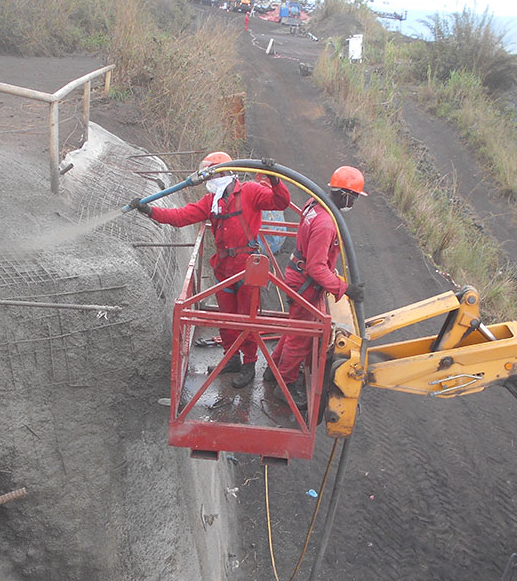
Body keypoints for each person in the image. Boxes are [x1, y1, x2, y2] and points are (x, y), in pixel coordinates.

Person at [131, 152, 291, 388]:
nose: (207, 180)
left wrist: (275, 179)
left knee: (248, 319)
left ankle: (249, 364)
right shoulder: (212, 201)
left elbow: (280, 202)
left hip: (247, 268)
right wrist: (150, 211)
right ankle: (232, 358)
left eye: (210, 173)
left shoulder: (249, 192)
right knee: (225, 319)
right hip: (224, 268)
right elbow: (182, 216)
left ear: (224, 172)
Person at [267, 166, 367, 408]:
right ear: (344, 194)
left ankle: (273, 370)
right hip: (305, 283)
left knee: (295, 328)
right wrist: (344, 288)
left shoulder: (314, 204)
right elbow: (316, 268)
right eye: (353, 198)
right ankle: (285, 385)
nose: (353, 203)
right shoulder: (326, 224)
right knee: (301, 336)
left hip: (298, 276)